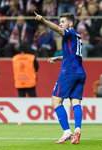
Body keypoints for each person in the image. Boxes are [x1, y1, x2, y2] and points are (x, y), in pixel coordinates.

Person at [34, 12, 86, 144]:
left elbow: (57, 29)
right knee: (75, 102)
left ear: (71, 23)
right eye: (60, 21)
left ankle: (67, 132)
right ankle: (78, 129)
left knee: (56, 101)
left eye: (63, 21)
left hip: (68, 73)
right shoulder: (78, 36)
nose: (60, 24)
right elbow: (72, 56)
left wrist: (44, 21)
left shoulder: (69, 33)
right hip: (80, 73)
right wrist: (58, 58)